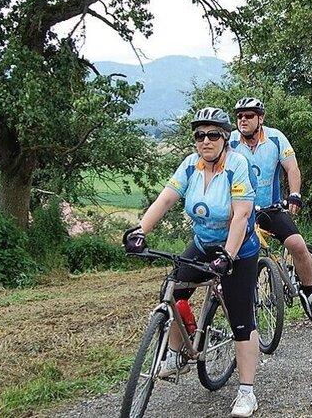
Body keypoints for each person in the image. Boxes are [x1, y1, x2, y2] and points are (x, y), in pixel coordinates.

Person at [123, 107, 261, 417]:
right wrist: (140, 231)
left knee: (241, 322)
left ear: (225, 138)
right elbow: (166, 199)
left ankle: (246, 391)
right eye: (200, 135)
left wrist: (229, 255)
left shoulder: (238, 165)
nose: (206, 140)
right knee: (173, 292)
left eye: (213, 134)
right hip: (201, 243)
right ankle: (175, 352)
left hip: (238, 248)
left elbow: (241, 215)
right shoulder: (190, 166)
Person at [229, 97, 312, 315]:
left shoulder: (275, 138)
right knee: (234, 256)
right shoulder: (230, 142)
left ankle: (311, 294)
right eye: (239, 116)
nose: (243, 120)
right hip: (240, 212)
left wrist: (294, 194)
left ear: (260, 118)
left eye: (248, 116)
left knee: (298, 245)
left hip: (271, 209)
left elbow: (292, 168)